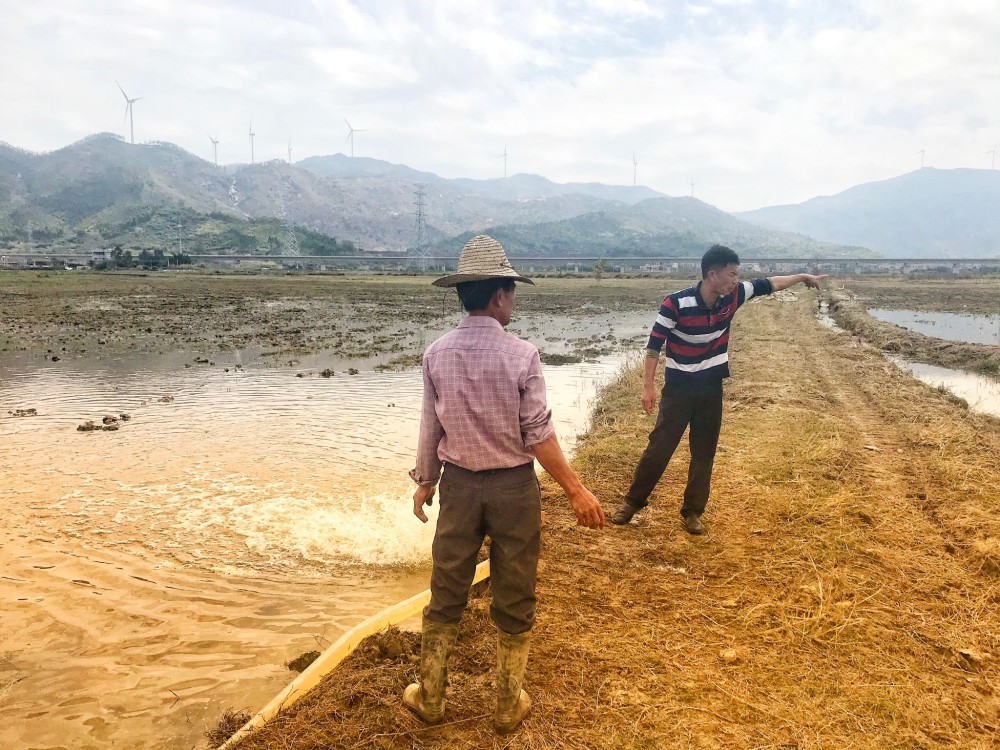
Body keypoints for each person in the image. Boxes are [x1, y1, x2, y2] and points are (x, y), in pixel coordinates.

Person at [404, 235, 605, 735]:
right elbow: (537, 434)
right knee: (514, 591)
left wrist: (426, 482)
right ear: (497, 296)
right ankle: (506, 705)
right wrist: (576, 489)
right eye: (511, 292)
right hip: (514, 489)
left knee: (447, 586)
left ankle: (430, 699)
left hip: (460, 489)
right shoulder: (522, 355)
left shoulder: (437, 354)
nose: (513, 301)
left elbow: (431, 428)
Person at [610, 244, 826, 534]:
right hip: (679, 389)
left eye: (737, 275)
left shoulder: (734, 295)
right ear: (712, 275)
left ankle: (692, 512)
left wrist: (801, 276)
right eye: (731, 274)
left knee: (704, 451)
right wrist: (647, 388)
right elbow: (653, 346)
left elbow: (771, 284)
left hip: (710, 387)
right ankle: (632, 503)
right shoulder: (675, 303)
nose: (736, 280)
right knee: (660, 447)